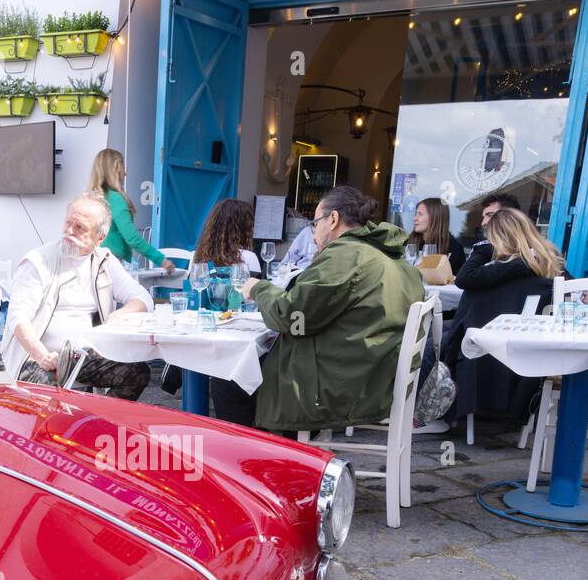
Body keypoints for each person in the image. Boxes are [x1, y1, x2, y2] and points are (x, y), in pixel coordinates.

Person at [241, 186, 424, 435]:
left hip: (337, 387)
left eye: (316, 223)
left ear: (333, 219)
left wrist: (258, 288)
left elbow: (292, 317)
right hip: (375, 379)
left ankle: (254, 462)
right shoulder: (391, 257)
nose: (314, 231)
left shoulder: (346, 256)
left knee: (233, 378)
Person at [1, 193, 153, 399]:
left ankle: (99, 423)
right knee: (48, 398)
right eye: (68, 223)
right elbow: (18, 318)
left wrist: (119, 315)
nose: (69, 231)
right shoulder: (38, 261)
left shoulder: (104, 261)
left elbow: (142, 298)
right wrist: (42, 355)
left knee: (137, 373)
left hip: (83, 356)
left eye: (80, 227)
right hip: (36, 357)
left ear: (100, 238)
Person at [422, 207, 563, 429]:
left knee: (426, 343)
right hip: (521, 345)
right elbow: (569, 290)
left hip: (477, 340)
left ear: (497, 238)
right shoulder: (548, 262)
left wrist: (483, 250)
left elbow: (464, 279)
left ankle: (426, 414)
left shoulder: (494, 271)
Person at [189, 199, 263, 426]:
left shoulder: (196, 256)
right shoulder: (247, 258)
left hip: (203, 326)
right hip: (235, 326)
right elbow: (256, 296)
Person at [88, 149, 176, 273]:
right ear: (114, 171)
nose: (125, 173)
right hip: (109, 263)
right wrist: (161, 260)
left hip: (91, 262)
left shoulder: (91, 199)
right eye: (122, 168)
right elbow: (132, 238)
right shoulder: (115, 199)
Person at [407, 197, 465, 273]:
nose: (414, 218)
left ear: (435, 217)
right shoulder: (409, 242)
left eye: (420, 214)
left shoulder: (454, 248)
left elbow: (457, 280)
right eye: (416, 214)